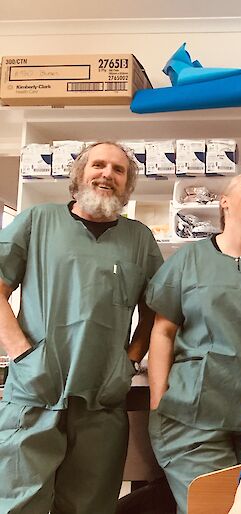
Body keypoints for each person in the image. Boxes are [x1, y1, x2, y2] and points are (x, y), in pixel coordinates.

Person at [0, 142, 163, 514]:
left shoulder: (139, 239)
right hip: (35, 392)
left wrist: (130, 361)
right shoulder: (38, 221)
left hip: (101, 399)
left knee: (91, 505)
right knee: (19, 502)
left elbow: (155, 311)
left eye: (118, 170)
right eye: (99, 165)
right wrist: (22, 352)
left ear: (127, 185)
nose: (107, 174)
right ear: (79, 174)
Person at [146, 174, 241, 514]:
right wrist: (158, 399)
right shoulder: (190, 259)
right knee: (217, 507)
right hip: (192, 416)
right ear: (224, 202)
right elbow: (162, 330)